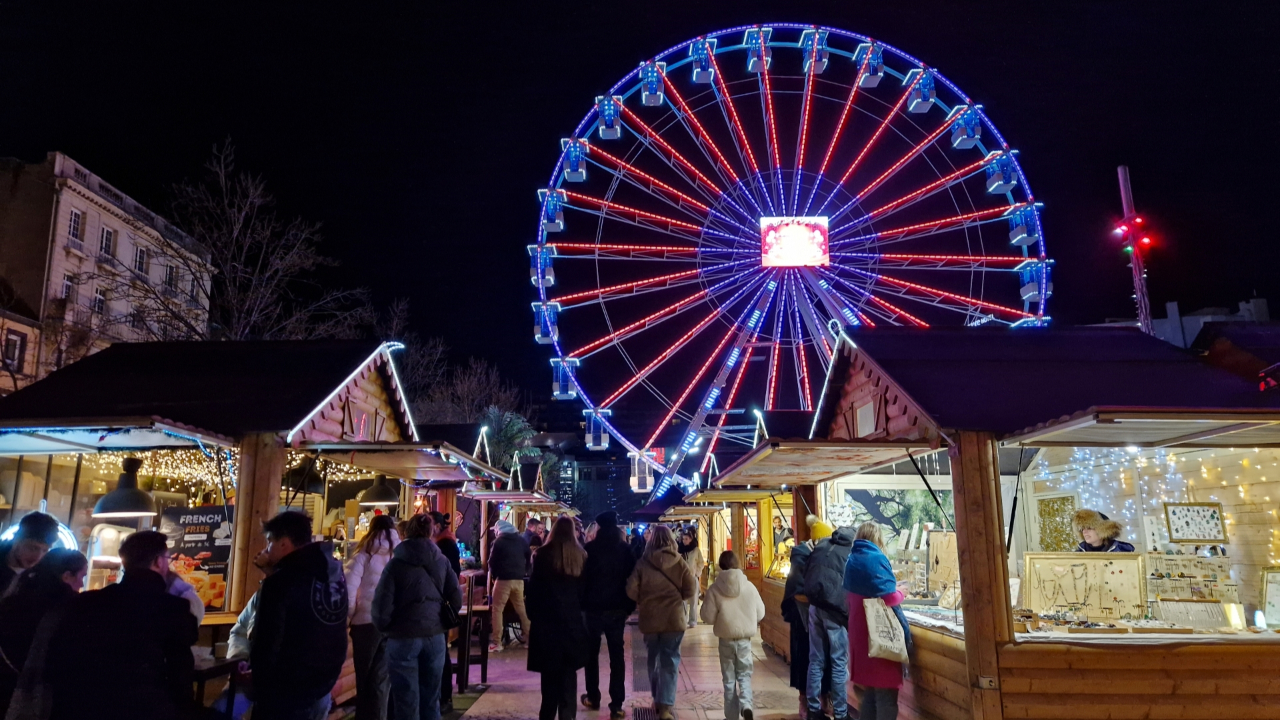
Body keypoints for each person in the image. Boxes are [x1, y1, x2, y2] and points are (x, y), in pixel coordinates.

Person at [9, 531, 197, 720]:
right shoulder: (173, 608)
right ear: (158, 561)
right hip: (144, 710)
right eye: (167, 558)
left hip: (79, 709)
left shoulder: (86, 603)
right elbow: (180, 676)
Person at [252, 511, 350, 720]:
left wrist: (258, 688)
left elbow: (267, 641)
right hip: (324, 683)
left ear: (284, 544)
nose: (267, 549)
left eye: (270, 542)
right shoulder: (334, 573)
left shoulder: (280, 583)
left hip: (286, 690)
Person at [372, 514, 461, 720]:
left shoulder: (395, 565)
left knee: (406, 701)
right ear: (431, 532)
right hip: (434, 636)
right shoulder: (442, 561)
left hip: (402, 636)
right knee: (431, 700)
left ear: (406, 533)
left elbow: (381, 605)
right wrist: (440, 621)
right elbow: (456, 598)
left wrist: (386, 628)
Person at [0, 549, 86, 717]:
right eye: (82, 576)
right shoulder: (70, 608)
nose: (82, 584)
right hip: (42, 696)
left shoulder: (13, 599)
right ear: (67, 576)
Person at [843, 522, 912, 720]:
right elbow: (889, 598)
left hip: (860, 634)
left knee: (870, 695)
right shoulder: (876, 558)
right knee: (886, 697)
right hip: (880, 636)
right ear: (878, 538)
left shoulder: (852, 559)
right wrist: (901, 591)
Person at [626, 525, 696, 720]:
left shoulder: (643, 563)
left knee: (653, 659)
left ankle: (657, 699)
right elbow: (690, 590)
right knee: (670, 661)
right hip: (673, 618)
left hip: (650, 618)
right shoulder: (679, 562)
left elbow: (631, 590)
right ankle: (665, 706)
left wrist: (644, 599)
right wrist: (676, 597)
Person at [526, 517, 590, 720]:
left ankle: (547, 716)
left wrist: (533, 617)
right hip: (571, 625)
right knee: (569, 679)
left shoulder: (541, 555)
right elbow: (584, 594)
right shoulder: (580, 555)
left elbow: (534, 592)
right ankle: (567, 716)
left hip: (547, 626)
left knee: (549, 681)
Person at [580, 511, 636, 718]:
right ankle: (617, 704)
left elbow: (582, 580)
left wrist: (582, 604)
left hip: (593, 610)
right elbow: (632, 580)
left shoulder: (590, 549)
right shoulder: (625, 550)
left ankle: (593, 696)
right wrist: (628, 607)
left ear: (599, 528)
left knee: (591, 656)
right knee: (617, 657)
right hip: (617, 610)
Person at [346, 514, 400, 720]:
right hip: (391, 622)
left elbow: (349, 590)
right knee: (381, 679)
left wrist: (349, 616)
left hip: (365, 624)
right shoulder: (400, 554)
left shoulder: (363, 555)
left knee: (364, 678)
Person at [700, 551, 765, 720]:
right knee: (744, 675)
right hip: (744, 640)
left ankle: (731, 717)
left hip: (726, 640)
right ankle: (746, 705)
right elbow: (760, 612)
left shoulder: (715, 588)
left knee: (729, 680)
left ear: (721, 565)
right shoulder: (749, 587)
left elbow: (707, 616)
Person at [802, 524, 854, 720]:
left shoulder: (823, 545)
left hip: (815, 606)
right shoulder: (850, 551)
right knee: (839, 662)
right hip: (835, 611)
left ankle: (813, 710)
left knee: (815, 659)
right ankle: (841, 714)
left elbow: (806, 570)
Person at [782, 517, 832, 717]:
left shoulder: (825, 555)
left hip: (821, 618)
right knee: (805, 659)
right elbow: (796, 589)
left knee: (823, 659)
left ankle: (823, 697)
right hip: (802, 621)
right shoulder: (801, 556)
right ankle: (805, 700)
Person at [429, 512, 460, 714]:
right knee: (440, 654)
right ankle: (441, 699)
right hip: (438, 609)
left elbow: (452, 577)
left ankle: (443, 697)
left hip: (437, 609)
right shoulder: (443, 544)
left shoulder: (443, 546)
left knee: (440, 655)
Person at [487, 520, 531, 652]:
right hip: (519, 580)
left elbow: (492, 562)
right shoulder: (521, 540)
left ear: (499, 530)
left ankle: (497, 642)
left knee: (497, 610)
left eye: (495, 530)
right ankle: (530, 639)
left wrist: (494, 577)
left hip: (503, 580)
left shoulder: (498, 542)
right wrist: (525, 570)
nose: (495, 533)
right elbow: (529, 556)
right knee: (521, 610)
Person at [0, 512, 59, 599]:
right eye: (33, 548)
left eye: (45, 550)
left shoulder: (44, 577)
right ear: (17, 541)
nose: (38, 557)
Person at [677, 528, 705, 629]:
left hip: (693, 577)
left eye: (686, 539)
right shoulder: (679, 550)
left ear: (691, 539)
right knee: (683, 600)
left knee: (693, 599)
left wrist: (697, 572)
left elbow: (701, 563)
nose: (684, 541)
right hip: (682, 578)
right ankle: (684, 619)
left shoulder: (696, 550)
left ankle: (693, 620)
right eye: (683, 539)